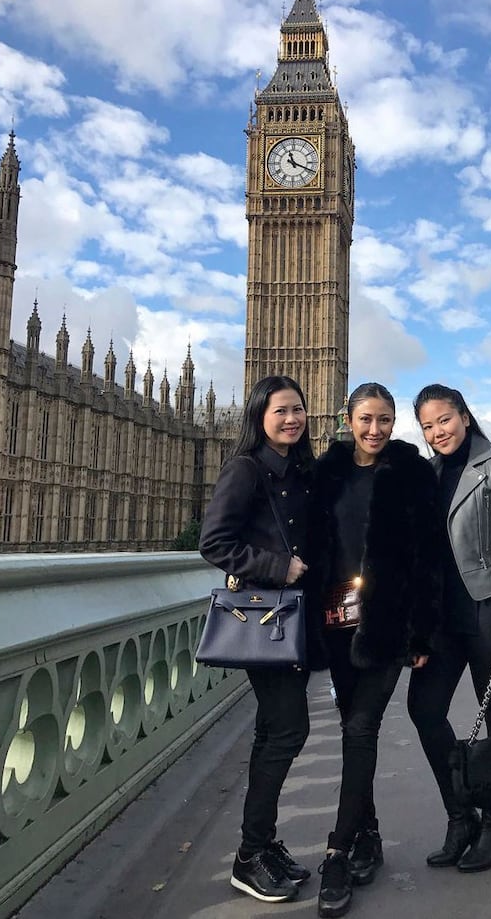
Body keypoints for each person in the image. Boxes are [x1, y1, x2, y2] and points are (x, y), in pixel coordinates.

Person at [309, 382, 443, 918]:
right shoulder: (327, 470)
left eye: (385, 419)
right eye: (366, 418)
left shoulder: (410, 471)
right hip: (336, 625)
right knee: (352, 727)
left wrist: (420, 635)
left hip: (387, 627)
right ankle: (370, 837)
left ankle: (337, 850)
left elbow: (428, 558)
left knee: (361, 728)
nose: (375, 429)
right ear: (348, 418)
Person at [199, 375, 318, 905]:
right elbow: (214, 542)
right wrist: (277, 566)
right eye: (280, 411)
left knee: (274, 733)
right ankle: (249, 856)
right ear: (258, 417)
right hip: (264, 621)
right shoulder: (245, 469)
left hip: (292, 619)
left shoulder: (297, 471)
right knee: (288, 731)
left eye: (297, 410)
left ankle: (261, 847)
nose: (291, 418)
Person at [407, 383, 491, 874]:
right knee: (424, 709)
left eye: (444, 420)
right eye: (428, 426)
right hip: (441, 620)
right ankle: (461, 815)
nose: (437, 432)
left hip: (484, 615)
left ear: (464, 415)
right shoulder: (429, 474)